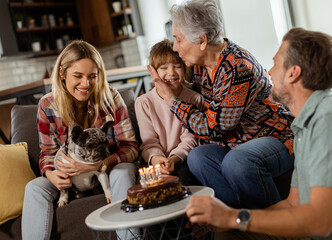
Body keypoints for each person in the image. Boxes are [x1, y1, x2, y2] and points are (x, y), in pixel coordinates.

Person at [185, 28, 332, 240]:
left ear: (293, 73)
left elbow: (321, 221)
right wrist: (229, 225)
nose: (268, 71)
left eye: (275, 63)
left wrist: (233, 218)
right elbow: (292, 204)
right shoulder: (305, 126)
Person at [148, 0, 294, 209]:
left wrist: (172, 99)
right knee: (198, 157)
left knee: (237, 161)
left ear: (202, 41)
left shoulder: (237, 68)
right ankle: (234, 218)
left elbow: (214, 128)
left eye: (179, 39)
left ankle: (272, 227)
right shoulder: (199, 67)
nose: (174, 47)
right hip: (236, 144)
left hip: (274, 138)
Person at [22, 40, 139, 240]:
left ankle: (129, 237)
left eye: (92, 76)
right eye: (78, 76)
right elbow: (47, 153)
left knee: (124, 170)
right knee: (34, 188)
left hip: (108, 171)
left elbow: (131, 148)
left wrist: (101, 164)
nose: (86, 84)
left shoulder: (111, 97)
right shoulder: (47, 105)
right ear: (62, 73)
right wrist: (51, 174)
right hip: (68, 176)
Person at [135, 39, 203, 185]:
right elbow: (149, 142)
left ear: (185, 68)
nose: (171, 73)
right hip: (154, 161)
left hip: (182, 159)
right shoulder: (144, 103)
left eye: (177, 66)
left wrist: (173, 159)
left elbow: (190, 139)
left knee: (183, 178)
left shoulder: (194, 98)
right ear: (152, 70)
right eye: (163, 68)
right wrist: (156, 159)